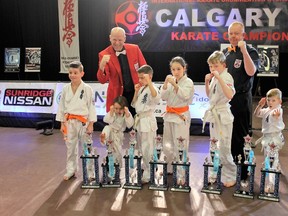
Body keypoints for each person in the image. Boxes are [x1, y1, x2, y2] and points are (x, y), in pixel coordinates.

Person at [223, 21, 259, 181]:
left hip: (241, 100)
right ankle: (230, 168)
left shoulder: (250, 52)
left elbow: (251, 72)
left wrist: (243, 50)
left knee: (241, 135)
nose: (233, 36)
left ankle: (244, 172)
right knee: (227, 135)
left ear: (243, 35)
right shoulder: (226, 53)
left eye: (236, 33)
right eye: (231, 33)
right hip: (226, 100)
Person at [56, 61, 97, 181]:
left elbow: (91, 107)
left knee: (87, 147)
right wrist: (62, 123)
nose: (72, 75)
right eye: (70, 73)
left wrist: (91, 124)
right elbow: (62, 107)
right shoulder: (65, 89)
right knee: (70, 147)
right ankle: (71, 169)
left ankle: (90, 172)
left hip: (83, 122)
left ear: (82, 73)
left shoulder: (87, 89)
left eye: (75, 72)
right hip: (69, 122)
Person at [203, 51, 237, 187]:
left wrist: (220, 78)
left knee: (224, 146)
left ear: (223, 65)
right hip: (214, 113)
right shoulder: (215, 77)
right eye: (211, 67)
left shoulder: (227, 77)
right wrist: (207, 82)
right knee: (214, 145)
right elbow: (209, 96)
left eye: (216, 66)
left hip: (223, 115)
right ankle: (214, 172)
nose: (213, 69)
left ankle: (230, 175)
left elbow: (230, 95)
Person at [97, 27, 147, 116]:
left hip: (136, 91)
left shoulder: (134, 49)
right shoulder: (104, 54)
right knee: (119, 123)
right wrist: (102, 66)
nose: (117, 43)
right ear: (110, 38)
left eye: (120, 40)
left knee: (137, 119)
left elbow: (145, 69)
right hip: (118, 94)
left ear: (125, 38)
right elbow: (102, 80)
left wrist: (144, 86)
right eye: (114, 40)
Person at [160, 56, 195, 173]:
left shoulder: (188, 82)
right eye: (173, 69)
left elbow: (184, 95)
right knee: (168, 143)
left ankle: (181, 171)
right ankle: (169, 167)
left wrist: (174, 85)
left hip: (181, 115)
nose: (176, 72)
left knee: (181, 143)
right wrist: (166, 83)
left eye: (178, 69)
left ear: (184, 68)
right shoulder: (170, 81)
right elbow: (163, 97)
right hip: (169, 115)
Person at [131, 65, 160, 183]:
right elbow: (134, 104)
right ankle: (146, 165)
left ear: (149, 77)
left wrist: (149, 82)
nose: (140, 80)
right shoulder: (142, 89)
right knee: (142, 147)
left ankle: (149, 171)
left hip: (148, 120)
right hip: (140, 120)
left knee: (148, 147)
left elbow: (156, 97)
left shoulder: (153, 88)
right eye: (139, 78)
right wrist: (136, 91)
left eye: (142, 78)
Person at [254, 88, 285, 192]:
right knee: (272, 158)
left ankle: (271, 183)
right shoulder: (267, 110)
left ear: (279, 102)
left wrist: (276, 116)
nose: (270, 102)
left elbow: (276, 115)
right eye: (269, 100)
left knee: (270, 160)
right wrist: (260, 106)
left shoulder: (278, 110)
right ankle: (277, 165)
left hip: (274, 139)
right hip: (267, 138)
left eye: (273, 100)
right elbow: (257, 114)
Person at [100, 96, 134, 168]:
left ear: (124, 108)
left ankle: (117, 167)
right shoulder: (112, 113)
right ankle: (103, 138)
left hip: (118, 134)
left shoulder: (126, 114)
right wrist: (111, 112)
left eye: (120, 109)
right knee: (107, 128)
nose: (118, 111)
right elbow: (106, 120)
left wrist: (127, 113)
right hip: (110, 131)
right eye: (116, 108)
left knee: (116, 151)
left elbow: (130, 125)